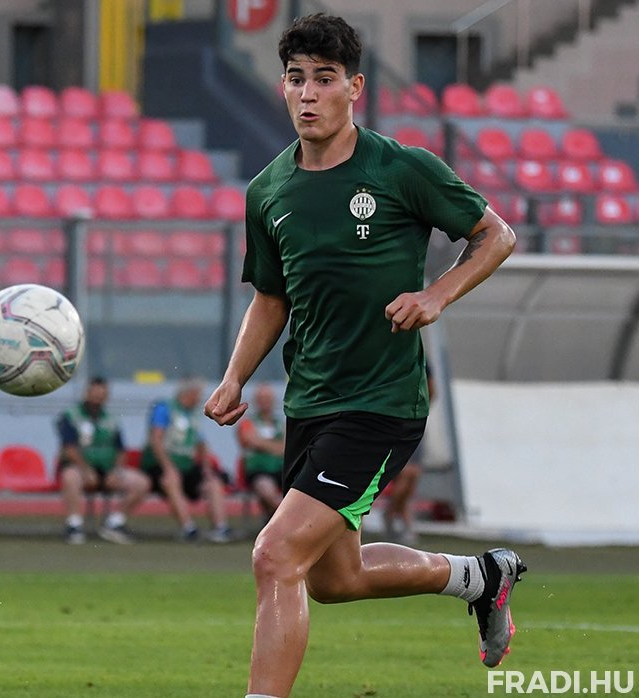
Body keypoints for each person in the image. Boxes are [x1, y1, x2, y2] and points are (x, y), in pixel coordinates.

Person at [201, 14, 522, 696]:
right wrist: (234, 378)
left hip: (380, 403)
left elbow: (495, 234)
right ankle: (480, 577)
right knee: (334, 579)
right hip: (310, 401)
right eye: (296, 79)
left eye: (324, 79)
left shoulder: (401, 168)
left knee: (275, 554)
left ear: (355, 88)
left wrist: (436, 294)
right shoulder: (268, 191)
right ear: (283, 87)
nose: (308, 93)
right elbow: (271, 299)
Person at [55, 376, 151, 545]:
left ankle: (115, 523)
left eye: (101, 396)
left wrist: (116, 471)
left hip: (107, 470)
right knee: (70, 477)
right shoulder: (71, 416)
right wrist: (85, 469)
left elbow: (121, 450)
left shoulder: (111, 420)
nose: (97, 399)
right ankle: (74, 524)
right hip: (81, 469)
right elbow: (69, 448)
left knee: (141, 483)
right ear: (87, 393)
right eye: (94, 395)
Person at [140, 378, 234, 543]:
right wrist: (168, 467)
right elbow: (156, 440)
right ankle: (188, 528)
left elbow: (202, 444)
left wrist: (207, 469)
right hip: (159, 465)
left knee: (213, 483)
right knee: (171, 480)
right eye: (198, 395)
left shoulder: (193, 415)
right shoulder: (164, 408)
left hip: (186, 466)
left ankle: (220, 528)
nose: (200, 399)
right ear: (189, 394)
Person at [383, 367, 435, 544]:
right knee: (405, 474)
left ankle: (396, 518)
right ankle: (394, 517)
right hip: (396, 423)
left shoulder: (421, 362)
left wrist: (419, 409)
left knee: (412, 478)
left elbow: (432, 389)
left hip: (411, 421)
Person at [235, 383, 284, 519]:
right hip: (258, 470)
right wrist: (275, 446)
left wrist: (262, 444)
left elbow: (285, 447)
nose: (265, 402)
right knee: (266, 489)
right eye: (262, 399)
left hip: (281, 469)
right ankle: (290, 518)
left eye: (268, 399)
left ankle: (274, 521)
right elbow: (250, 440)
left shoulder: (280, 423)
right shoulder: (247, 422)